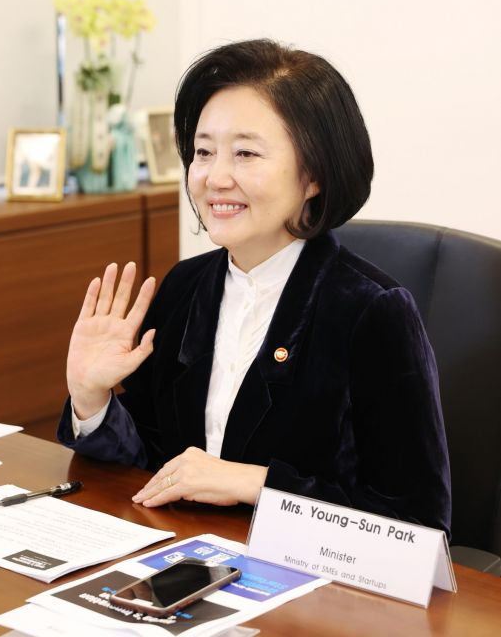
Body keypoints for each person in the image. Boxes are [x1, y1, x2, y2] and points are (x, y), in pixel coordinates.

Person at [58, 39, 451, 536]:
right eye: (203, 152)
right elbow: (150, 465)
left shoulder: (372, 311)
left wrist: (258, 484)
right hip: (185, 557)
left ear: (313, 175)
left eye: (245, 153)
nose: (215, 177)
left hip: (307, 578)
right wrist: (91, 400)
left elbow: (419, 526)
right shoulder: (185, 288)